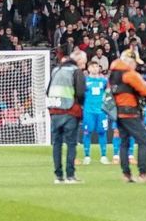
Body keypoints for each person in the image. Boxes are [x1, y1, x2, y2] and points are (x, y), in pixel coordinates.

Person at [109, 49, 146, 184]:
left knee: (124, 143)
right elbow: (145, 91)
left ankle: (126, 174)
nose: (136, 65)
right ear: (130, 61)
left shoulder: (113, 74)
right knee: (143, 141)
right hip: (130, 110)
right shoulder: (129, 74)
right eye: (135, 62)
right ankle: (143, 173)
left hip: (117, 111)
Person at [46, 48, 87, 184]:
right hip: (70, 111)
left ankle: (58, 176)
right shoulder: (76, 71)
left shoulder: (55, 70)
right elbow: (80, 93)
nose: (84, 65)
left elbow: (48, 91)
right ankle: (70, 175)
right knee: (71, 144)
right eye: (84, 62)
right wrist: (80, 106)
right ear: (79, 60)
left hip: (54, 111)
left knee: (57, 144)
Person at [81, 60, 111, 165]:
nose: (94, 68)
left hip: (101, 111)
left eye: (96, 66)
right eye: (92, 66)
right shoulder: (84, 80)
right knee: (87, 132)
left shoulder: (104, 81)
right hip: (88, 111)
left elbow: (108, 95)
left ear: (99, 68)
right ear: (88, 69)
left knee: (102, 132)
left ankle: (103, 156)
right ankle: (87, 156)